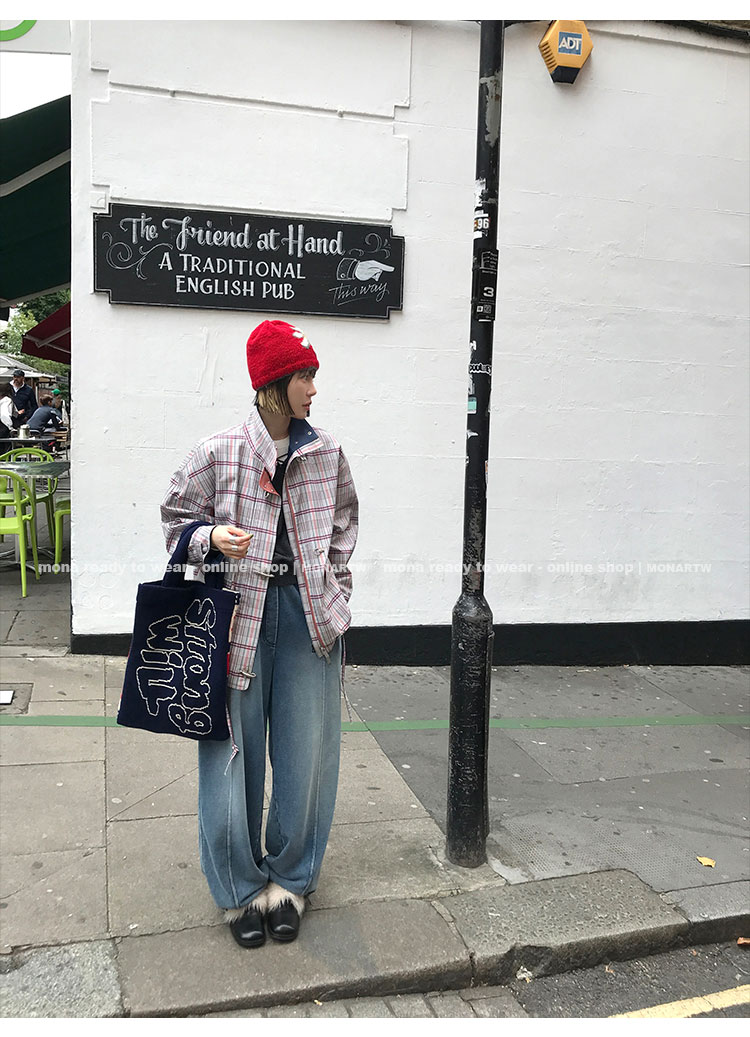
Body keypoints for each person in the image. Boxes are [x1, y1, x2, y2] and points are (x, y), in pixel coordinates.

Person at [160, 319, 358, 949]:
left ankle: (291, 882)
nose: (314, 389)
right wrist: (208, 539)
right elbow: (174, 520)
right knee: (230, 755)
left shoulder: (326, 452)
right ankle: (240, 889)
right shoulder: (218, 452)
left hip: (307, 617)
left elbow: (345, 527)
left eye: (314, 377)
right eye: (305, 377)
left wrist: (333, 591)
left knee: (307, 754)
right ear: (273, 383)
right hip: (235, 617)